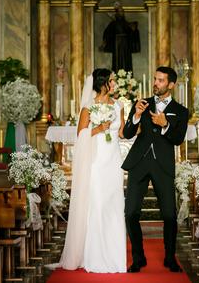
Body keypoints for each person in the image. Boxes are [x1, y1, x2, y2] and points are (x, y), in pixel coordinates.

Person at [48, 68, 127, 273]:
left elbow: (123, 133)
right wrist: (99, 129)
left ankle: (116, 257)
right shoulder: (88, 108)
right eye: (112, 80)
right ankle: (96, 256)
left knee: (114, 204)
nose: (114, 83)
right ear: (103, 84)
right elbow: (81, 136)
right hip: (97, 161)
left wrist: (137, 117)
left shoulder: (118, 105)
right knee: (99, 204)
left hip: (114, 160)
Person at [122, 66, 189, 273]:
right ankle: (138, 258)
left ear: (171, 85)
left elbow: (178, 139)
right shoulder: (142, 103)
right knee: (131, 213)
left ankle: (170, 258)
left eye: (160, 80)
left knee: (169, 215)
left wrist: (165, 124)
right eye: (155, 79)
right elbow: (127, 132)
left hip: (162, 166)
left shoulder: (181, 111)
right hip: (139, 163)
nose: (155, 83)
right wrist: (135, 116)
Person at [101, 2, 140, 73]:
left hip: (125, 45)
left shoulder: (126, 23)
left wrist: (134, 30)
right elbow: (107, 34)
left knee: (126, 61)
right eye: (120, 11)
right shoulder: (113, 24)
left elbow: (132, 32)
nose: (122, 13)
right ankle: (117, 74)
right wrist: (104, 43)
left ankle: (127, 75)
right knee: (117, 61)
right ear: (117, 13)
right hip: (117, 44)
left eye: (123, 11)